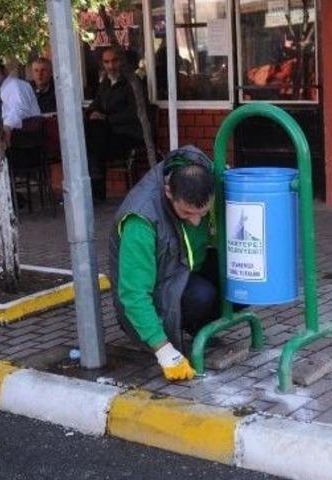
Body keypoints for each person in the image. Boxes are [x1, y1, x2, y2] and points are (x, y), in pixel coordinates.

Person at [109, 146, 220, 382]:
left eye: (203, 212)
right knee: (202, 294)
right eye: (187, 213)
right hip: (158, 291)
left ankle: (198, 328)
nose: (196, 220)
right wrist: (164, 350)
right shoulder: (141, 220)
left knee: (241, 278)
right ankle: (173, 333)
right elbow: (133, 293)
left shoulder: (210, 179)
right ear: (169, 192)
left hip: (185, 267)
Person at [84, 47, 143, 202]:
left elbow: (135, 113)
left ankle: (96, 192)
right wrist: (93, 113)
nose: (111, 66)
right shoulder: (105, 83)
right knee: (89, 133)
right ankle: (95, 191)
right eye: (107, 62)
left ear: (121, 61)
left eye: (114, 61)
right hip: (106, 135)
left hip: (127, 134)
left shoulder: (132, 82)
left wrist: (106, 118)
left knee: (92, 142)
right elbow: (94, 105)